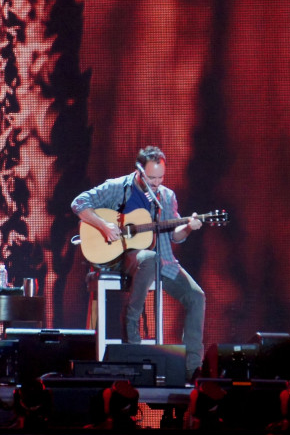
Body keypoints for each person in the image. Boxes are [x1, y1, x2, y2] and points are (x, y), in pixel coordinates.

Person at [72, 145, 205, 382]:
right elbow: (79, 203)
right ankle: (131, 325)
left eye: (160, 178)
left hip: (161, 262)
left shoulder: (167, 197)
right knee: (147, 258)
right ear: (139, 172)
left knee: (197, 296)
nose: (156, 184)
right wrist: (104, 225)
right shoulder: (117, 187)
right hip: (121, 259)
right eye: (151, 178)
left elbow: (175, 236)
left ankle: (192, 368)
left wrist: (187, 228)